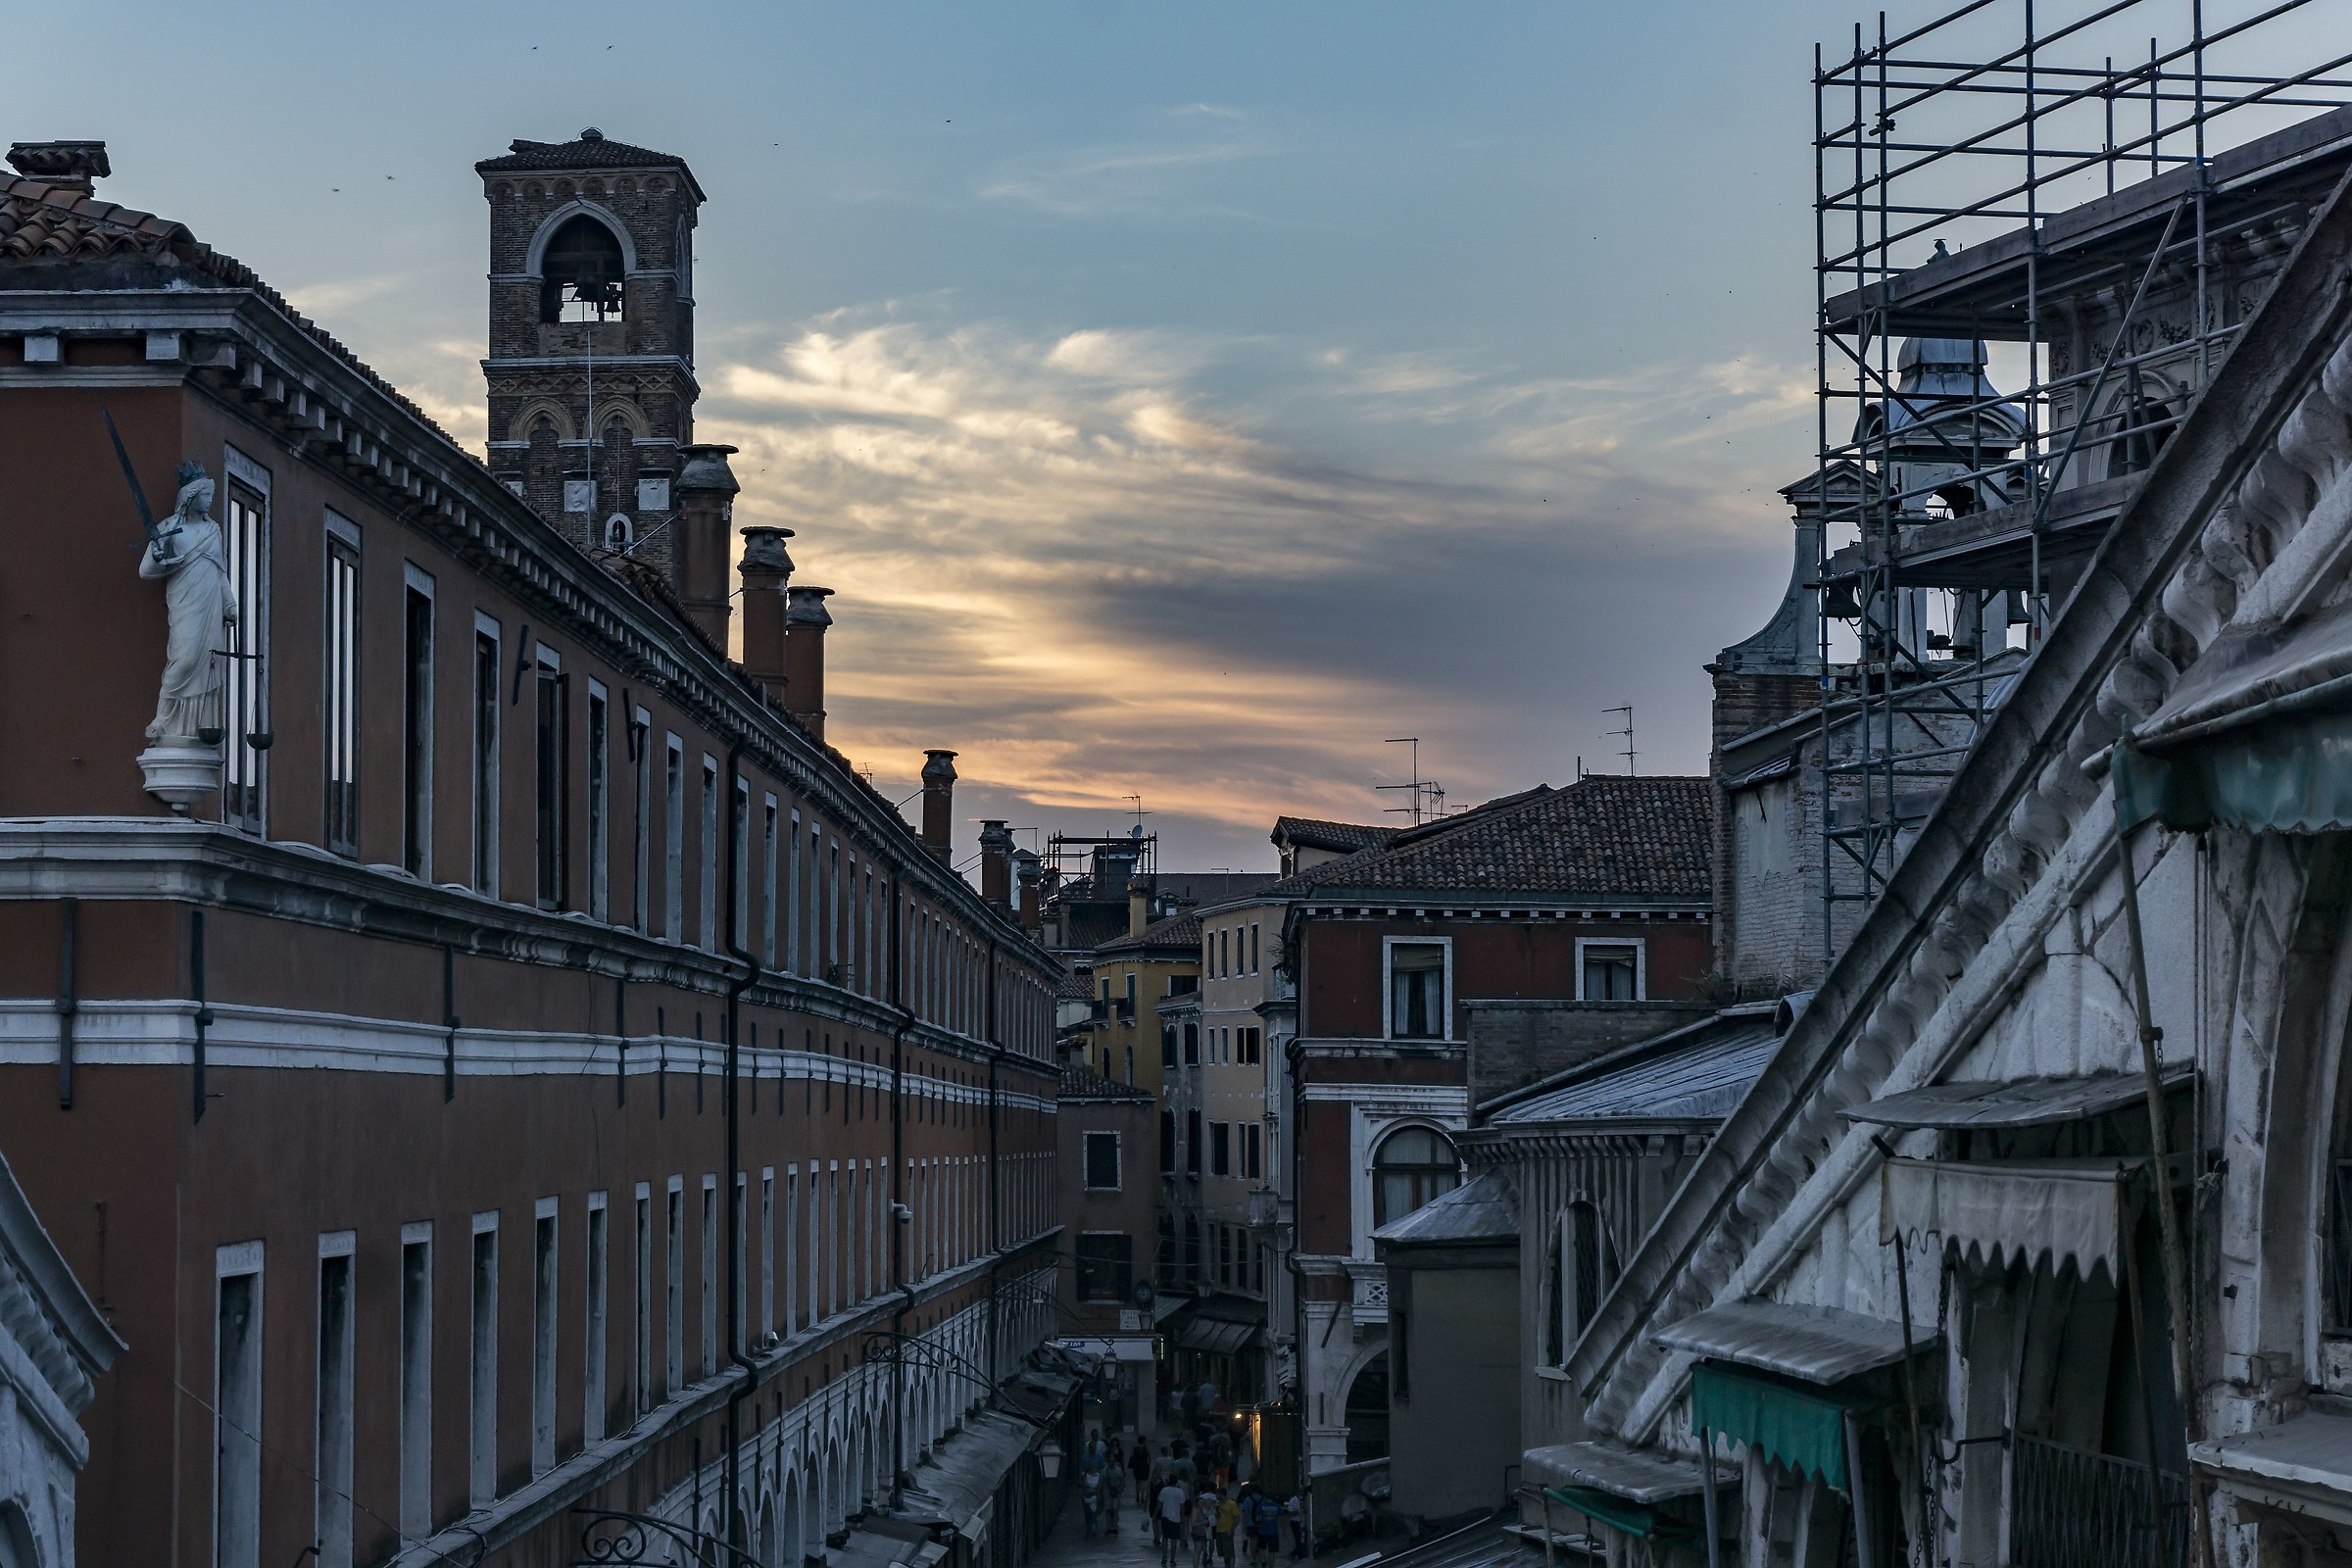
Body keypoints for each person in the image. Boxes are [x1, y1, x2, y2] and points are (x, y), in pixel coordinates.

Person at [1157, 1476, 1189, 1566]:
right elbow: (1182, 1506)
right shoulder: (1180, 1492)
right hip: (1176, 1518)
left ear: (1168, 1481)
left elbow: (1159, 1503)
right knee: (1174, 1539)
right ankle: (1172, 1559)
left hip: (1165, 1516)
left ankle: (1164, 1557)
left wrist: (1155, 1514)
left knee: (1165, 1538)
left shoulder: (1164, 1490)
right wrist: (1182, 1518)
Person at [1214, 1488, 1241, 1568]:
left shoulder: (1231, 1504)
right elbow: (1217, 1516)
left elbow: (1237, 1518)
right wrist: (1216, 1510)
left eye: (1217, 1494)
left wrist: (1231, 1529)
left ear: (1221, 1494)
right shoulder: (1219, 1504)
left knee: (1229, 1551)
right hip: (1219, 1530)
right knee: (1223, 1552)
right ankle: (1227, 1565)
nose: (1216, 1496)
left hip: (1227, 1530)